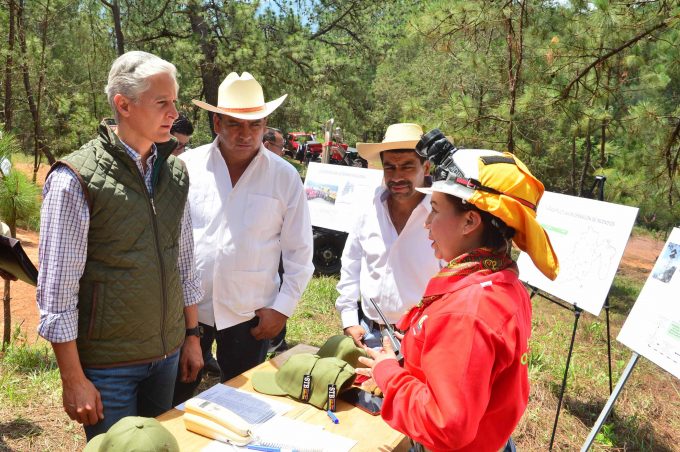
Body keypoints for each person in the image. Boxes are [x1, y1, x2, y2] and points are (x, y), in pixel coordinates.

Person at [36, 51, 204, 440]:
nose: (174, 113)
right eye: (162, 102)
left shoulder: (175, 172)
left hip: (166, 358)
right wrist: (73, 378)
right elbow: (57, 293)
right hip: (109, 369)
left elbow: (185, 263)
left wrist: (191, 336)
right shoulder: (75, 178)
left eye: (175, 100)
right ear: (123, 105)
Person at [357, 147, 560, 451]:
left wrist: (388, 373)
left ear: (469, 222)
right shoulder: (501, 281)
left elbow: (445, 425)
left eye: (435, 210)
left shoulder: (466, 312)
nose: (427, 223)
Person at [181, 72, 314, 384]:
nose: (246, 134)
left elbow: (299, 251)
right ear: (217, 124)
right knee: (176, 399)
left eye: (255, 124)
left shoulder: (284, 176)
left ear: (265, 126)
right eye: (234, 124)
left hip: (250, 315)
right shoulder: (188, 166)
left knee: (243, 403)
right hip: (188, 312)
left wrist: (282, 309)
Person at [335, 123, 441, 348]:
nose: (397, 176)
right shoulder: (368, 208)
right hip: (369, 334)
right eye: (390, 167)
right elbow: (351, 263)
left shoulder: (443, 216)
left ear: (427, 167)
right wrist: (349, 319)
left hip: (423, 340)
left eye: (407, 166)